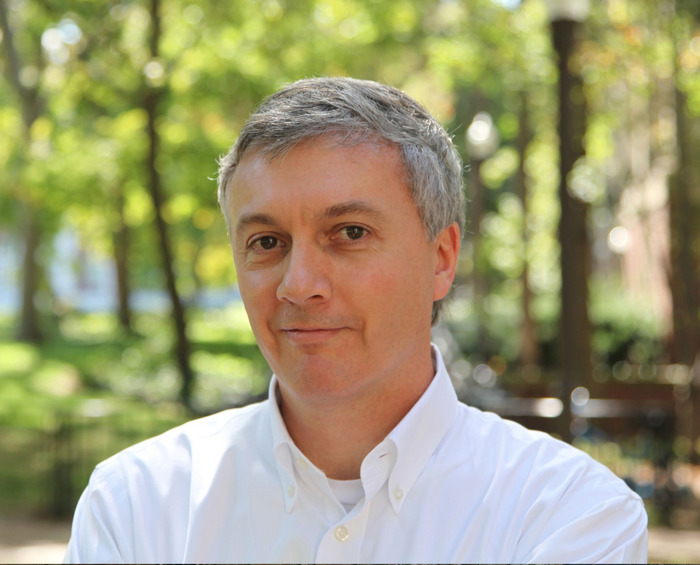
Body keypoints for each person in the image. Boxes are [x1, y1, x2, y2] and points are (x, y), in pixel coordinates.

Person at [64, 77, 647, 563]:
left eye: (349, 233)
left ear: (441, 259)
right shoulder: (136, 506)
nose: (298, 285)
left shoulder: (566, 513)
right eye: (267, 241)